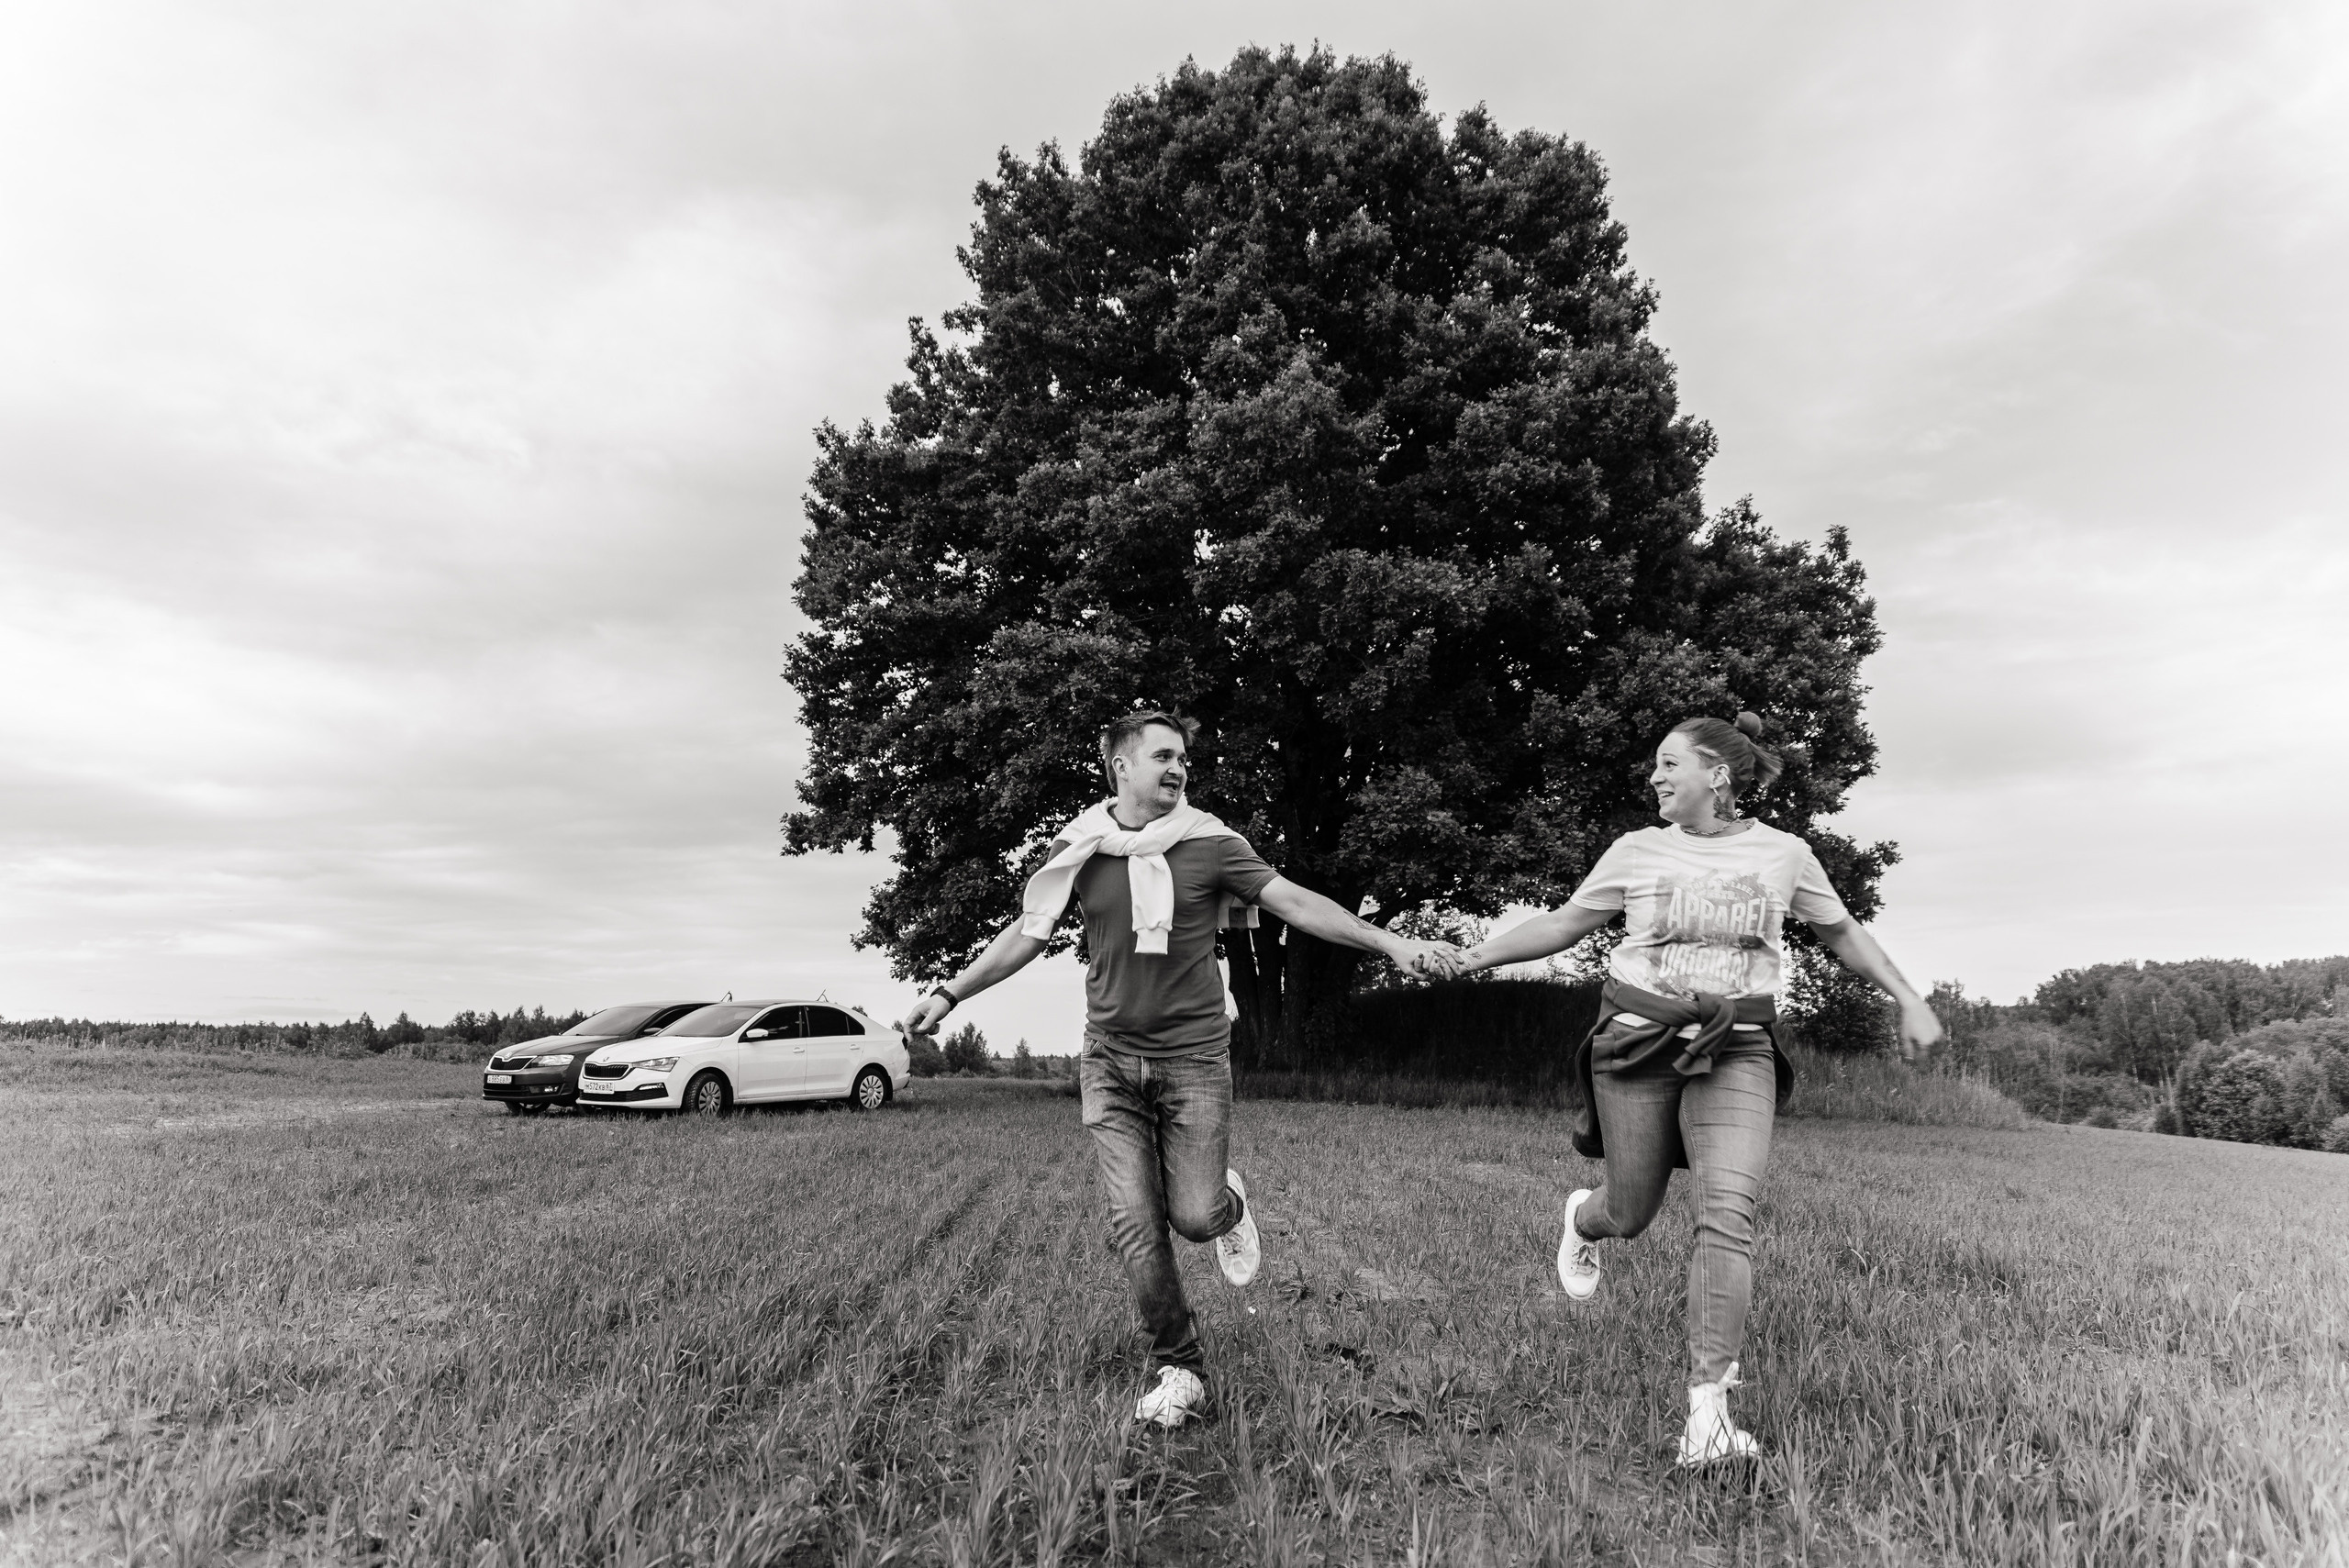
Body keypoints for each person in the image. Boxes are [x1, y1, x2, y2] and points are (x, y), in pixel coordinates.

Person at [900, 709, 1453, 1429]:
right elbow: (1026, 934)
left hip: (1194, 1059)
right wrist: (948, 992)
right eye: (1163, 755)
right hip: (1108, 1061)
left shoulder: (1212, 843)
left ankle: (1228, 1205)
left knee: (1193, 1216)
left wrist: (1389, 942)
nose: (1179, 768)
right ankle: (1181, 1365)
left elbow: (1292, 900)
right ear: (1120, 766)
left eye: (1184, 758)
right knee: (1135, 1221)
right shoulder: (1081, 849)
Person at [1432, 712, 1942, 1465]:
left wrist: (1909, 996)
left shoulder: (1784, 854)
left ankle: (1708, 1414)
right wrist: (1471, 957)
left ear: (1719, 774)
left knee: (1727, 1211)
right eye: (1656, 766)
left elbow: (1843, 931)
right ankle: (1587, 1216)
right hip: (1638, 1041)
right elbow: (1567, 922)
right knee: (1631, 1211)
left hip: (1736, 1047)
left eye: (1670, 763)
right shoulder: (1637, 849)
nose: (1655, 777)